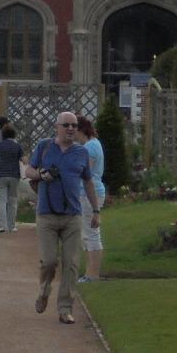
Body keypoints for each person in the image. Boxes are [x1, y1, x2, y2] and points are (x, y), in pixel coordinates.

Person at [25, 110, 101, 325]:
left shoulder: (81, 153)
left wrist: (96, 211)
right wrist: (41, 175)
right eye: (66, 125)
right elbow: (29, 171)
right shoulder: (45, 146)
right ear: (57, 127)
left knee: (71, 264)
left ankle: (65, 308)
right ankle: (44, 291)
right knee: (49, 261)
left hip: (72, 216)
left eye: (74, 126)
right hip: (47, 214)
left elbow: (87, 182)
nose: (70, 129)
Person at [77, 117, 108, 282]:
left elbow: (84, 173)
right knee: (88, 234)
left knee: (91, 234)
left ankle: (92, 274)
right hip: (92, 193)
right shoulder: (93, 144)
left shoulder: (89, 147)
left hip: (90, 194)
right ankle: (89, 273)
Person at [0, 123, 23, 232]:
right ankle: (12, 225)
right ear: (14, 134)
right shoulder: (17, 146)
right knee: (13, 200)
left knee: (1, 200)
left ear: (3, 134)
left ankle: (2, 225)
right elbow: (23, 159)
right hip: (14, 175)